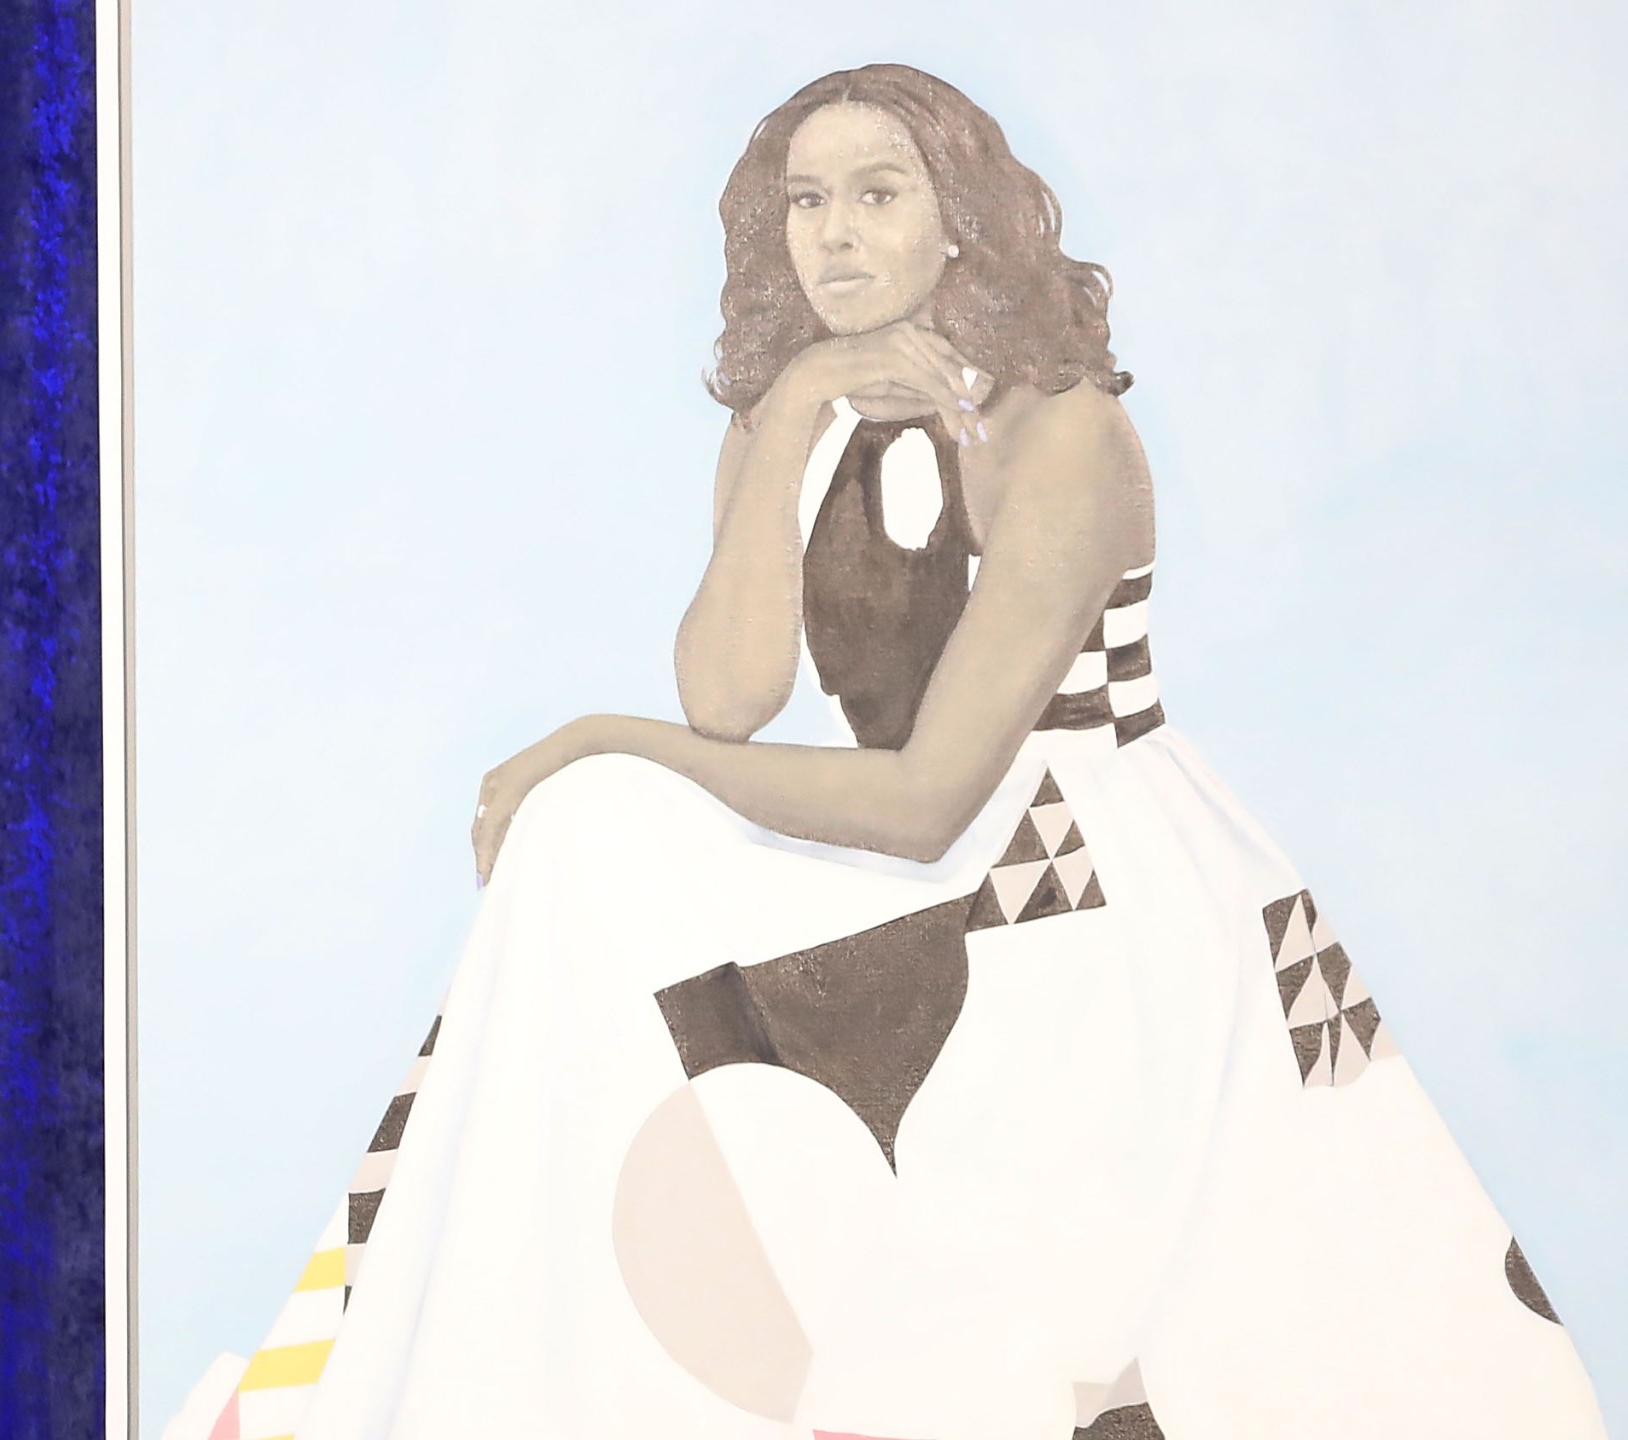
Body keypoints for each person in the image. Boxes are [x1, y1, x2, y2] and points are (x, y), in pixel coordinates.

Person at [171, 65, 1604, 1440]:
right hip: (910, 866)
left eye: (878, 193)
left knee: (605, 796)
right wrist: (792, 412)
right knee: (584, 835)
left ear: (961, 215)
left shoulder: (1065, 433)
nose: (836, 233)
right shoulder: (787, 418)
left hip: (1082, 886)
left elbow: (928, 800)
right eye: (805, 202)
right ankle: (508, 1357)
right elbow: (729, 700)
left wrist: (601, 735)